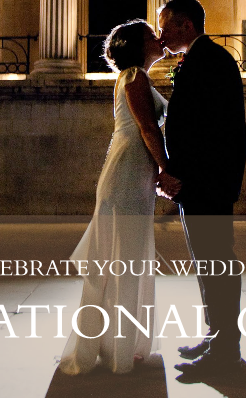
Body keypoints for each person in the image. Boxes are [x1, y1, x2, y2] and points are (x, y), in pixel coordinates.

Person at [59, 19, 180, 375]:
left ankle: (115, 343)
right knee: (124, 257)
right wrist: (166, 169)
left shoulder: (134, 76)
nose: (158, 38)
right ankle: (117, 348)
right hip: (129, 168)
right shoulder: (134, 77)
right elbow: (146, 127)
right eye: (150, 35)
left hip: (132, 168)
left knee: (124, 256)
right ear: (138, 44)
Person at [157, 0, 246, 378]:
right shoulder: (199, 59)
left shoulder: (210, 61)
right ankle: (216, 337)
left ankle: (225, 348)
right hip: (200, 183)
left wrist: (180, 175)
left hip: (206, 183)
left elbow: (210, 133)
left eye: (165, 25)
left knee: (217, 264)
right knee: (208, 264)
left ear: (185, 26)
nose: (161, 33)